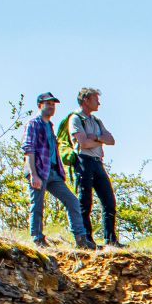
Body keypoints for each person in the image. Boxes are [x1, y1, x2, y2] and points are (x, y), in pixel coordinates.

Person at [22, 93, 92, 248]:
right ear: (40, 105)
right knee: (37, 205)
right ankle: (37, 238)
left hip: (52, 172)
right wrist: (33, 174)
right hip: (39, 170)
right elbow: (28, 149)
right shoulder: (33, 123)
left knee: (72, 201)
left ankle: (81, 239)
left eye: (53, 104)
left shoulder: (50, 126)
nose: (51, 107)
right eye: (48, 104)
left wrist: (61, 172)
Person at [68, 88, 121, 247]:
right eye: (95, 99)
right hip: (84, 161)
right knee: (85, 201)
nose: (99, 102)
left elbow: (111, 140)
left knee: (109, 201)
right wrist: (100, 140)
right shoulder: (76, 119)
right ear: (86, 100)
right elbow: (83, 143)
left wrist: (96, 138)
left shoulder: (97, 121)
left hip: (98, 161)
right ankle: (87, 240)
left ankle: (111, 240)